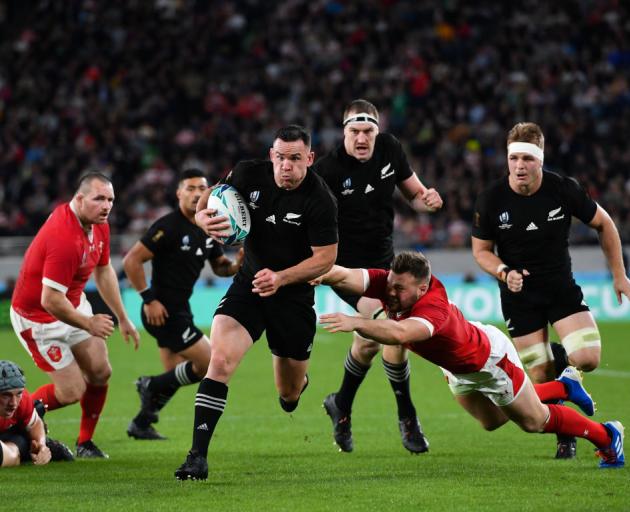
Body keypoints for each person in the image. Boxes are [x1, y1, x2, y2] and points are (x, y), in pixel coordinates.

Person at [317, 251, 625, 469]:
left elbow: (399, 333)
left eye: (400, 288)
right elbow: (342, 274)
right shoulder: (390, 283)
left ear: (422, 288)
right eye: (391, 284)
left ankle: (607, 437)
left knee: (534, 421)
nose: (391, 292)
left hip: (490, 362)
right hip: (457, 367)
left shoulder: (432, 308)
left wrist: (356, 322)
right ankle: (562, 387)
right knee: (492, 421)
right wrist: (309, 275)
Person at [173, 125, 338, 480]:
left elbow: (325, 258)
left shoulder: (320, 199)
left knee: (288, 394)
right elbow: (210, 198)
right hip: (248, 286)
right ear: (271, 156)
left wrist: (281, 277)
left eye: (295, 159)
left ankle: (298, 386)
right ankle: (197, 457)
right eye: (280, 158)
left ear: (309, 159)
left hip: (292, 298)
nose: (286, 166)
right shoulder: (248, 173)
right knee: (220, 360)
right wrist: (203, 218)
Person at [471, 122, 630, 459]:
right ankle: (566, 434)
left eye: (527, 158)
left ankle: (567, 375)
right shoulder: (491, 198)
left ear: (540, 160)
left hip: (560, 289)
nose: (519, 166)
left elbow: (605, 224)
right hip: (519, 297)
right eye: (513, 158)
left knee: (588, 357)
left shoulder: (563, 189)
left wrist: (619, 276)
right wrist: (503, 271)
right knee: (540, 375)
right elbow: (480, 251)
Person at [312, 99, 443, 453]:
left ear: (377, 131)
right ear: (343, 133)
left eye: (368, 131)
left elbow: (413, 193)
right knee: (391, 330)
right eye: (354, 131)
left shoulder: (391, 150)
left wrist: (426, 199)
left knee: (372, 340)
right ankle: (408, 416)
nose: (362, 137)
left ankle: (341, 404)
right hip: (347, 269)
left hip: (387, 263)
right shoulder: (327, 169)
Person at [9, 171, 140, 458]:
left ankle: (85, 443)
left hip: (74, 304)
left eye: (110, 199)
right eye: (99, 199)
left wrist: (123, 316)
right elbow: (50, 300)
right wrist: (89, 322)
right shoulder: (64, 236)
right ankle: (14, 419)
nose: (106, 206)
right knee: (70, 391)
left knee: (100, 371)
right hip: (38, 319)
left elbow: (104, 270)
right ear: (79, 199)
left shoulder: (98, 224)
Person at [124, 169, 244, 440]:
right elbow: (132, 260)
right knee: (209, 363)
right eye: (189, 189)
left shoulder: (209, 227)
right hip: (162, 311)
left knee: (174, 376)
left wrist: (237, 265)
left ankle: (141, 423)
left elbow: (220, 267)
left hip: (181, 309)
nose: (196, 193)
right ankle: (149, 384)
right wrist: (148, 299)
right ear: (178, 193)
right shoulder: (168, 225)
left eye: (201, 188)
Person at [1, 360, 74, 467]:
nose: (13, 403)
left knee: (37, 409)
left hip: (12, 438)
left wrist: (41, 445)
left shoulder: (23, 400)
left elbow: (34, 423)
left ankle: (36, 446)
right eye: (6, 395)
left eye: (18, 394)